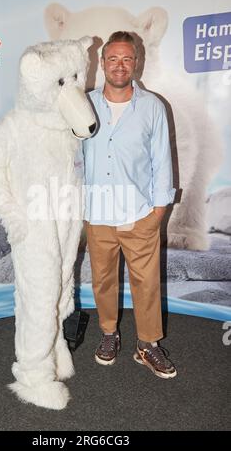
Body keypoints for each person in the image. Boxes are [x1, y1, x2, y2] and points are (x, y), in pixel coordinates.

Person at [83, 31, 177, 379]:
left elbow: (161, 160)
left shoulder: (152, 106)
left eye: (126, 58)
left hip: (139, 214)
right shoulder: (85, 104)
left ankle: (148, 345)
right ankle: (109, 334)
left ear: (136, 62)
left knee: (146, 283)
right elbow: (73, 157)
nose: (119, 65)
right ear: (102, 62)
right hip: (98, 214)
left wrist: (158, 212)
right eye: (113, 59)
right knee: (104, 282)